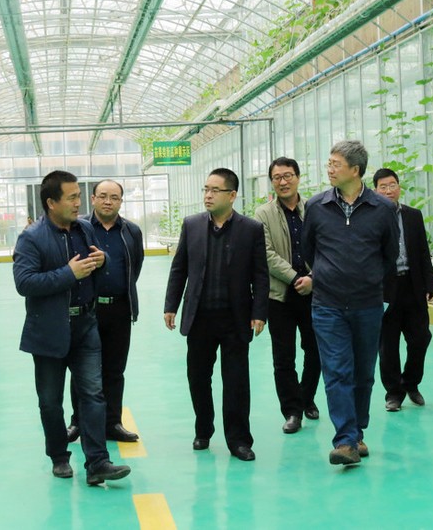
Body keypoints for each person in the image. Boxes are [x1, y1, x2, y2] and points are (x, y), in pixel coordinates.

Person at [13, 170, 131, 485]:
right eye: (72, 197)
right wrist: (69, 273)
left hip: (85, 326)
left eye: (79, 196)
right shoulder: (31, 237)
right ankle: (59, 457)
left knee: (93, 394)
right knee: (50, 401)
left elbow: (94, 267)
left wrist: (102, 261)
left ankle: (98, 462)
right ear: (51, 202)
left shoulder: (84, 229)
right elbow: (24, 283)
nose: (79, 203)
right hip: (49, 330)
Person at [302, 140, 399, 465]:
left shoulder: (382, 209)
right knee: (337, 371)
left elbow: (389, 254)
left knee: (363, 373)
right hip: (327, 304)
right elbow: (308, 249)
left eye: (336, 164)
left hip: (367, 304)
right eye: (329, 163)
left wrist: (367, 279)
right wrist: (327, 275)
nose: (329, 169)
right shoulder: (316, 206)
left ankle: (357, 433)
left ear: (355, 170)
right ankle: (344, 440)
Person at [164, 168, 269, 462]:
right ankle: (203, 429)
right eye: (206, 189)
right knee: (198, 377)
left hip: (235, 318)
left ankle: (239, 440)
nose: (208, 195)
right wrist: (171, 305)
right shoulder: (192, 225)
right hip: (199, 317)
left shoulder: (251, 229)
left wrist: (259, 312)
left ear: (232, 195)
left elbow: (260, 275)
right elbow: (179, 268)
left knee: (236, 382)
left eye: (215, 190)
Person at [66, 180, 144, 443]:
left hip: (120, 309)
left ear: (121, 201)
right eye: (102, 196)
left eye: (114, 197)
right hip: (88, 309)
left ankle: (112, 423)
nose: (108, 201)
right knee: (82, 369)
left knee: (114, 369)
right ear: (93, 199)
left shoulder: (132, 231)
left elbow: (135, 266)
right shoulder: (79, 228)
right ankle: (77, 422)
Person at [254, 157, 321, 435]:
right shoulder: (263, 214)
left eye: (288, 176)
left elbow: (326, 247)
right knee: (283, 357)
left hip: (314, 292)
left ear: (298, 177)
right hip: (280, 295)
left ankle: (307, 397)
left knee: (316, 351)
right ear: (272, 181)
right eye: (277, 177)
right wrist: (295, 278)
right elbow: (266, 253)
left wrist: (313, 278)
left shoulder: (316, 209)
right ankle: (292, 411)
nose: (283, 182)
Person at [372, 168, 433, 412]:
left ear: (399, 187)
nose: (389, 190)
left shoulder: (413, 215)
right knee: (387, 345)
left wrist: (430, 283)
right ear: (375, 191)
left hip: (412, 285)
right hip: (385, 289)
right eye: (383, 187)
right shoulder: (371, 218)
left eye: (392, 185)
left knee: (421, 338)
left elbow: (423, 252)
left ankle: (411, 382)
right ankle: (394, 393)